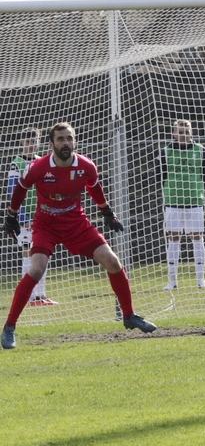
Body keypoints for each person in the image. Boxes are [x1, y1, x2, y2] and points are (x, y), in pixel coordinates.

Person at [1, 123, 157, 349]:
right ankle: (9, 328)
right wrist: (11, 216)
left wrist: (107, 212)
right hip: (46, 226)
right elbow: (21, 188)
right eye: (61, 139)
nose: (66, 143)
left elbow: (94, 187)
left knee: (112, 262)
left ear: (75, 141)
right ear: (51, 144)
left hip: (77, 225)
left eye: (69, 139)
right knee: (36, 269)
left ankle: (129, 315)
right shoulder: (38, 167)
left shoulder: (86, 166)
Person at [156, 118, 205, 290]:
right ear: (174, 133)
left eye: (186, 132)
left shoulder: (201, 151)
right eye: (180, 132)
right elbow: (160, 175)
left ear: (191, 133)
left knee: (197, 237)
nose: (183, 135)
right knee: (174, 239)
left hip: (195, 200)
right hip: (173, 201)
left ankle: (201, 280)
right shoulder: (165, 152)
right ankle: (172, 281)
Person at [8, 127, 56, 307]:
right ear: (22, 143)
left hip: (42, 216)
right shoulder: (16, 163)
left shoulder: (41, 162)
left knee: (43, 253)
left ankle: (41, 295)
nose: (31, 144)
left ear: (39, 141)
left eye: (34, 140)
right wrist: (21, 217)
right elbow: (12, 192)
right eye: (27, 141)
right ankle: (29, 296)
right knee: (28, 252)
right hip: (25, 217)